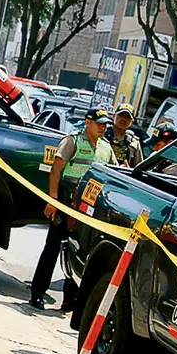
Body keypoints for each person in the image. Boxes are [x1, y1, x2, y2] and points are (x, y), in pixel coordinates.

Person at [29, 108, 117, 311]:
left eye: (105, 124)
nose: (103, 127)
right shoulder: (73, 141)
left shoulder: (106, 148)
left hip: (88, 208)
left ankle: (70, 300)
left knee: (80, 252)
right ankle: (37, 293)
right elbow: (56, 169)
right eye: (99, 123)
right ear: (88, 122)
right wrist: (52, 200)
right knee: (52, 247)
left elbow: (114, 172)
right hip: (66, 203)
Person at [104, 103, 143, 167]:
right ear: (114, 116)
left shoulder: (134, 142)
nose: (123, 119)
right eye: (121, 115)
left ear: (132, 121)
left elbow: (138, 167)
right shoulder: (103, 134)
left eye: (127, 117)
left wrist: (128, 169)